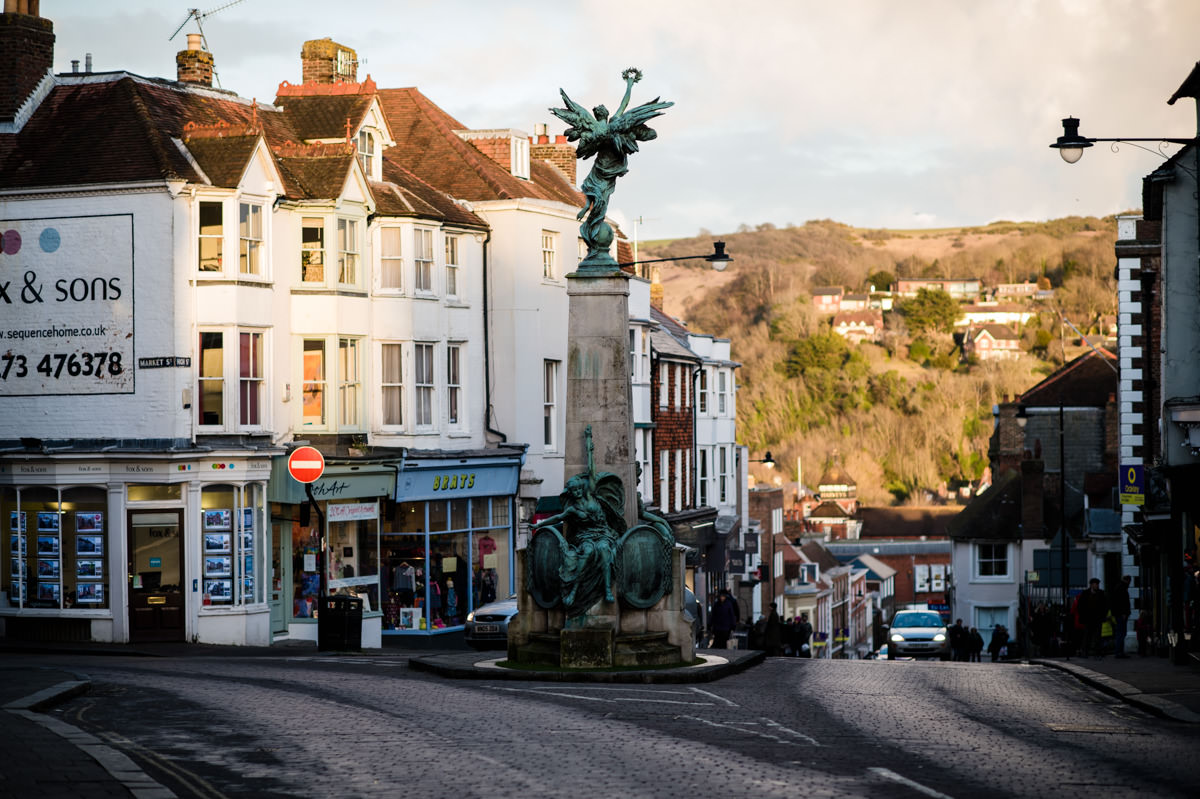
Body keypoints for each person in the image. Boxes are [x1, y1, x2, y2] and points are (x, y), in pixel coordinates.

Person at [1078, 577, 1108, 659]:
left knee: (1098, 637)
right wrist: (1083, 616)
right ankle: (1085, 652)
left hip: (1098, 619)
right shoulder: (1085, 593)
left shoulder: (1101, 593)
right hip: (1088, 619)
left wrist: (1103, 615)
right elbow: (1080, 606)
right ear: (1091, 585)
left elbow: (1105, 606)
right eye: (1095, 584)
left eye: (1097, 584)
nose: (1097, 586)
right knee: (1087, 637)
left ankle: (1097, 653)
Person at [1110, 574, 1131, 657]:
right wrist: (1123, 613)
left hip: (1119, 613)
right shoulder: (1122, 588)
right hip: (1121, 614)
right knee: (1121, 633)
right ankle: (1119, 652)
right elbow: (1122, 602)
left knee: (1121, 632)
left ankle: (1119, 651)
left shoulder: (1119, 587)